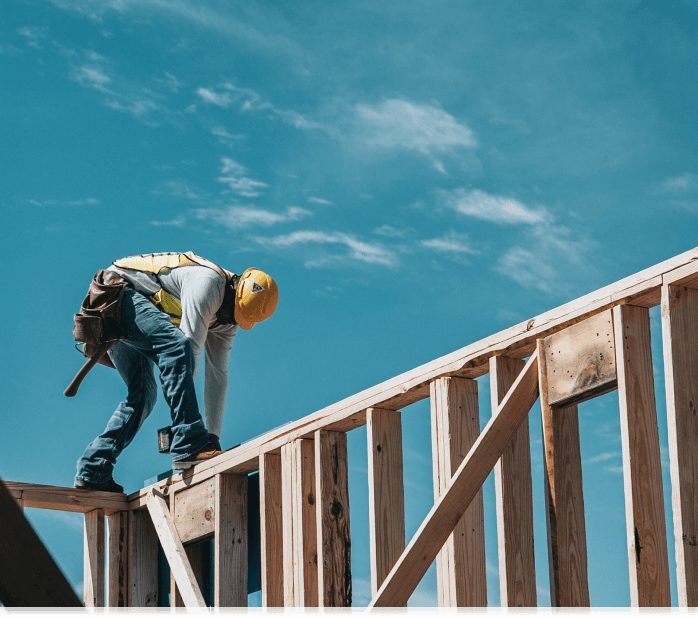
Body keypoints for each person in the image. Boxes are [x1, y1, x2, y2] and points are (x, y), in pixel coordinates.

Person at [73, 252, 278, 493]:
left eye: (235, 318)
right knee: (177, 346)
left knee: (143, 398)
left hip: (131, 310)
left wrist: (212, 437)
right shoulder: (208, 283)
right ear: (234, 288)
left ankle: (93, 469)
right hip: (114, 295)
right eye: (230, 313)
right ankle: (189, 442)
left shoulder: (227, 320)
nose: (227, 321)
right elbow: (187, 351)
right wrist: (190, 436)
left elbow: (217, 377)